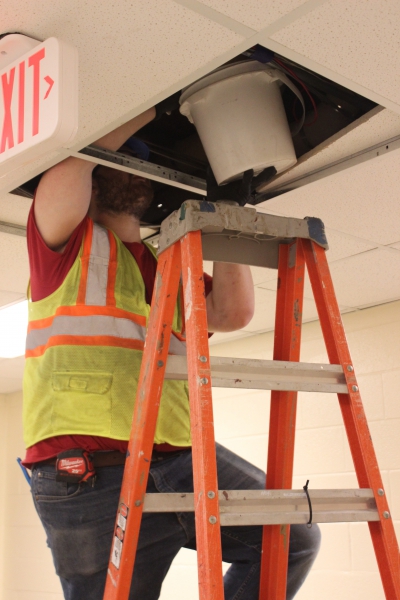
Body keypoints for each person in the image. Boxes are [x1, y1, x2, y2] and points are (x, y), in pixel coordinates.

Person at [22, 104, 320, 600]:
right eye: (118, 162)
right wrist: (154, 101)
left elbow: (232, 312)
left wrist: (227, 213)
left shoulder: (170, 264)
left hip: (179, 457)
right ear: (94, 182)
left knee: (292, 537)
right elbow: (67, 170)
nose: (129, 168)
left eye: (137, 164)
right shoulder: (63, 249)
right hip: (88, 470)